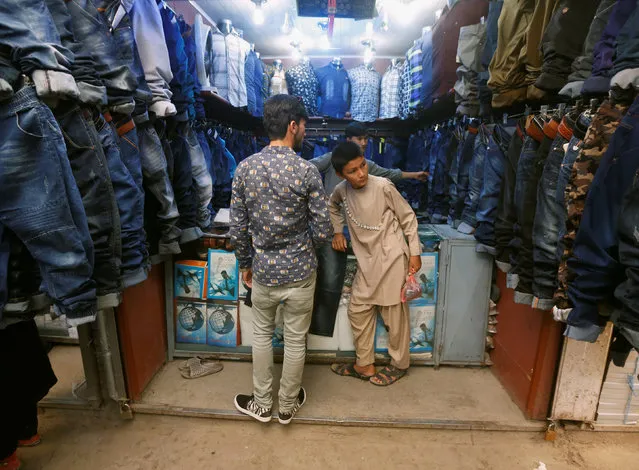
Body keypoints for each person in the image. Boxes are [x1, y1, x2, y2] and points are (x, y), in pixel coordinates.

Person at [230, 95, 332, 424]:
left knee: (260, 336)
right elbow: (323, 229)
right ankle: (287, 406)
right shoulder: (307, 172)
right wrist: (306, 251)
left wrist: (246, 262)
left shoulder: (244, 169)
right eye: (303, 126)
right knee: (295, 339)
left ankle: (261, 405)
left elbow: (238, 228)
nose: (305, 132)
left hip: (262, 273)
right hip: (301, 274)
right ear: (292, 126)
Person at [328, 141, 421, 386]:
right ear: (340, 174)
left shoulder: (383, 186)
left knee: (394, 317)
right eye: (353, 171)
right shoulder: (341, 190)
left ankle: (399, 365)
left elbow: (408, 217)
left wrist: (415, 252)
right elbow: (332, 206)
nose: (361, 174)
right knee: (358, 310)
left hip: (391, 259)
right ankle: (364, 364)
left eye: (363, 166)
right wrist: (338, 232)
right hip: (366, 262)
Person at [309, 121, 429, 195]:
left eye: (366, 139)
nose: (364, 143)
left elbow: (389, 174)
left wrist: (414, 175)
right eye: (360, 139)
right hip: (333, 221)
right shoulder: (332, 158)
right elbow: (306, 167)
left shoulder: (366, 165)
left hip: (356, 221)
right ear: (349, 140)